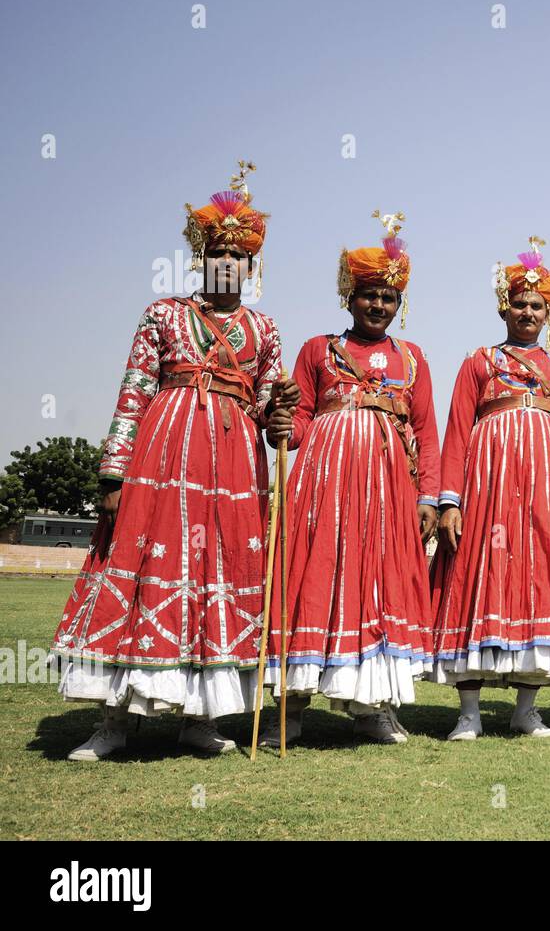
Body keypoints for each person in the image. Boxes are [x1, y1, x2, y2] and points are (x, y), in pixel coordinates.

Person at [52, 162, 295, 760]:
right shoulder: (162, 314)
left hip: (235, 470)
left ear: (253, 266)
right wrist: (114, 471)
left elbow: (269, 412)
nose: (228, 264)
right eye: (219, 253)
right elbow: (134, 388)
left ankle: (201, 721)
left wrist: (281, 412)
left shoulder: (264, 330)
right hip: (164, 459)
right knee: (140, 568)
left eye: (240, 257)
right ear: (201, 257)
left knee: (222, 576)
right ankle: (114, 720)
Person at [257, 211, 440, 746]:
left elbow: (426, 431)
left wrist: (428, 495)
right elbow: (298, 418)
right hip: (324, 484)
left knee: (378, 583)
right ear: (349, 298)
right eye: (367, 295)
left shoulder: (414, 358)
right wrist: (282, 423)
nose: (377, 305)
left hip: (389, 489)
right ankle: (289, 711)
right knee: (313, 579)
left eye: (387, 298)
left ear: (398, 305)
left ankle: (371, 709)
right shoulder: (318, 349)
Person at [430, 237, 550, 739]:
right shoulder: (479, 362)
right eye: (519, 303)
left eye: (537, 305)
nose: (527, 311)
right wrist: (449, 501)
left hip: (548, 492)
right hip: (488, 487)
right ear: (504, 308)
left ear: (549, 312)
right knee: (479, 576)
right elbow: (456, 431)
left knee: (539, 582)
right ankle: (469, 713)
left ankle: (526, 709)